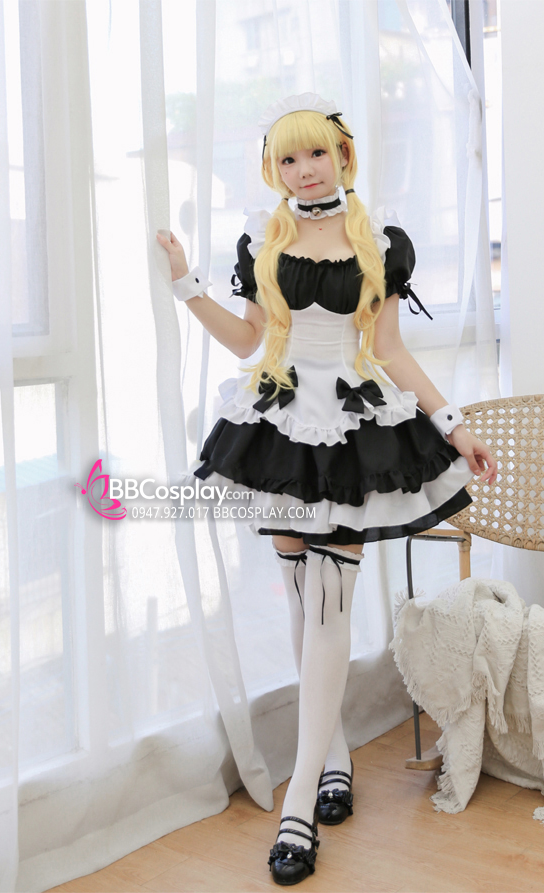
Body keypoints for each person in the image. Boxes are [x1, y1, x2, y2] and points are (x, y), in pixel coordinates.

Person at [157, 92, 497, 886]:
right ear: (272, 169)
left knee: (327, 607)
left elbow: (390, 349)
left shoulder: (379, 240)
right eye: (288, 158)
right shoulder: (263, 238)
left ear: (343, 156)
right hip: (279, 424)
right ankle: (334, 752)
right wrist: (186, 284)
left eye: (317, 153)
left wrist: (453, 424)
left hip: (349, 426)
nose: (304, 169)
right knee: (297, 595)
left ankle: (300, 802)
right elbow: (248, 340)